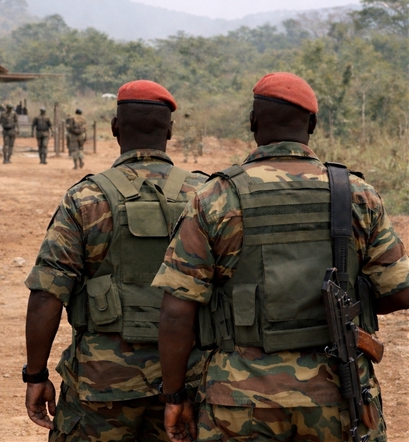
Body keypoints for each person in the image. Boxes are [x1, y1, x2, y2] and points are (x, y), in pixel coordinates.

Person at [153, 72, 409, 442]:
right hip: (337, 391)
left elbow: (177, 311)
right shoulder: (355, 194)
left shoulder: (215, 197)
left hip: (238, 398)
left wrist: (175, 396)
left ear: (253, 123)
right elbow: (399, 292)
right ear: (314, 125)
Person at [24, 81, 209, 442]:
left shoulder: (85, 198)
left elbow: (47, 294)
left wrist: (35, 375)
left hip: (100, 384)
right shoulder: (204, 196)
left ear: (114, 129)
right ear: (170, 130)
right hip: (187, 379)